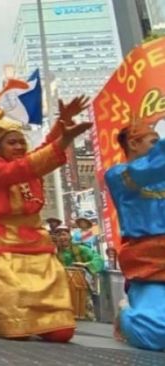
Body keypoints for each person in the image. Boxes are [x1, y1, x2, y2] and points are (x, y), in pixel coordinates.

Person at [0, 95, 92, 342]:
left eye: (21, 142)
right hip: (2, 248)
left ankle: (47, 321)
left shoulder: (28, 161)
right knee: (14, 323)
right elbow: (27, 166)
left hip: (35, 244)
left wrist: (63, 121)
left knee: (61, 331)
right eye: (12, 143)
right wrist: (65, 139)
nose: (18, 147)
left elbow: (44, 148)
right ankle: (9, 319)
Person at [104, 121, 165, 351]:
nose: (158, 146)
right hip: (150, 266)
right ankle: (127, 313)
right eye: (154, 142)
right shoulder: (119, 175)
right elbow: (149, 169)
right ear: (133, 143)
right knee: (157, 332)